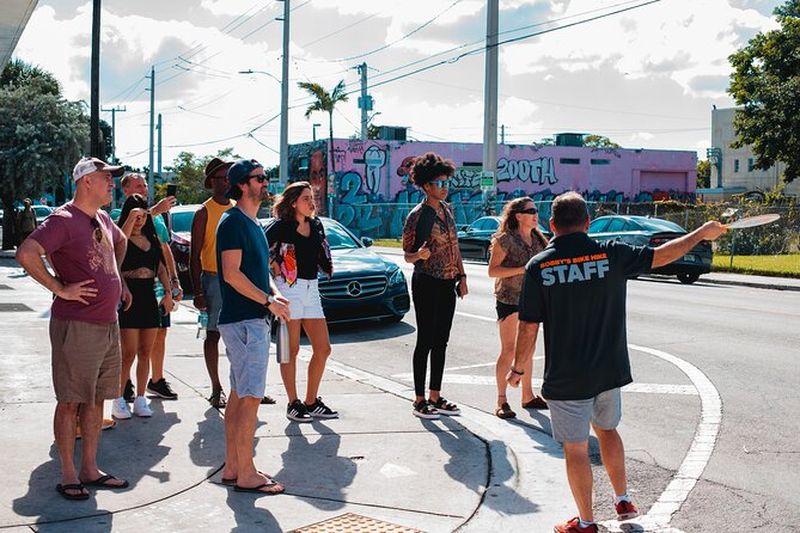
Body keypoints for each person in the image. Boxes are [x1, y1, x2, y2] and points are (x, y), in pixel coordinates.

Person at [507, 191, 727, 533]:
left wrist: (518, 368)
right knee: (607, 431)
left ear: (552, 225)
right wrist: (700, 233)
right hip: (608, 371)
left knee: (576, 449)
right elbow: (662, 255)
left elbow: (528, 326)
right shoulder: (611, 254)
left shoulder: (539, 266)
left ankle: (586, 522)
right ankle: (623, 499)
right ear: (588, 223)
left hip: (567, 377)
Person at [16, 156, 130, 500]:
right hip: (77, 325)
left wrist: (117, 279)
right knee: (70, 401)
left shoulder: (103, 218)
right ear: (86, 182)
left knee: (96, 400)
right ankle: (68, 473)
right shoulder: (62, 219)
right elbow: (27, 253)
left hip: (108, 322)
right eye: (106, 178)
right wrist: (59, 288)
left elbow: (121, 241)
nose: (111, 184)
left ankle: (90, 469)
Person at [216, 158, 290, 494]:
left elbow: (258, 272)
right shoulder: (233, 222)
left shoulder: (252, 222)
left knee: (239, 394)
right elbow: (231, 274)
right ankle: (246, 473)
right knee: (250, 397)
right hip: (245, 321)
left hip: (249, 318)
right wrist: (267, 301)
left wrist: (274, 293)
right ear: (242, 185)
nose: (265, 182)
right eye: (259, 178)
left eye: (265, 177)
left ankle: (234, 466)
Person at [402, 152, 468, 420]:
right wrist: (418, 255)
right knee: (425, 340)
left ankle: (435, 396)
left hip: (448, 282)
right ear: (426, 186)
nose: (444, 187)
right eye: (439, 183)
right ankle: (419, 400)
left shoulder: (447, 210)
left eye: (446, 182)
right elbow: (407, 255)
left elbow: (455, 246)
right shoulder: (418, 216)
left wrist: (462, 276)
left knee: (442, 340)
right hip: (426, 281)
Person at [265, 181, 336, 422]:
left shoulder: (316, 225)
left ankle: (311, 401)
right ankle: (293, 403)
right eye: (306, 198)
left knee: (323, 348)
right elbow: (259, 250)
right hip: (289, 288)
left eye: (312, 198)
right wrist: (272, 265)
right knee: (291, 350)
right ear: (293, 202)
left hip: (311, 288)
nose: (311, 202)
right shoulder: (280, 226)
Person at [118, 174, 182, 401]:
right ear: (125, 190)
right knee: (128, 349)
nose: (144, 188)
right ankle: (124, 387)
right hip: (129, 291)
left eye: (145, 185)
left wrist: (174, 283)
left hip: (153, 288)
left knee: (158, 335)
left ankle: (156, 380)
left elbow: (163, 249)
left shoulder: (156, 221)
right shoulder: (118, 215)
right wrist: (152, 211)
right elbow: (119, 241)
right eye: (138, 185)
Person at [111, 195, 174, 419]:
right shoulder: (121, 239)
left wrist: (169, 292)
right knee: (127, 353)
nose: (139, 220)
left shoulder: (152, 238)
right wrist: (132, 219)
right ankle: (119, 399)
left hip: (149, 296)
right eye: (135, 215)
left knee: (145, 352)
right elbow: (116, 260)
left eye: (142, 216)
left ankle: (140, 398)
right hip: (129, 298)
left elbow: (161, 268)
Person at [488, 197, 548, 419]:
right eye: (530, 211)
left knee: (528, 348)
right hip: (509, 299)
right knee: (510, 350)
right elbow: (493, 271)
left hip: (532, 299)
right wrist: (523, 269)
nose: (535, 214)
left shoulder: (539, 239)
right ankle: (501, 400)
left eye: (536, 210)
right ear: (518, 215)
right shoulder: (505, 239)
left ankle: (527, 396)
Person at [191, 157, 236, 408]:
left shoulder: (237, 208)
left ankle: (243, 388)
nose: (227, 182)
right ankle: (216, 387)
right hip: (213, 280)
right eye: (222, 178)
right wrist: (198, 291)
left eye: (230, 177)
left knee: (240, 335)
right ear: (212, 182)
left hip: (237, 279)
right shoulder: (203, 212)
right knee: (213, 335)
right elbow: (194, 254)